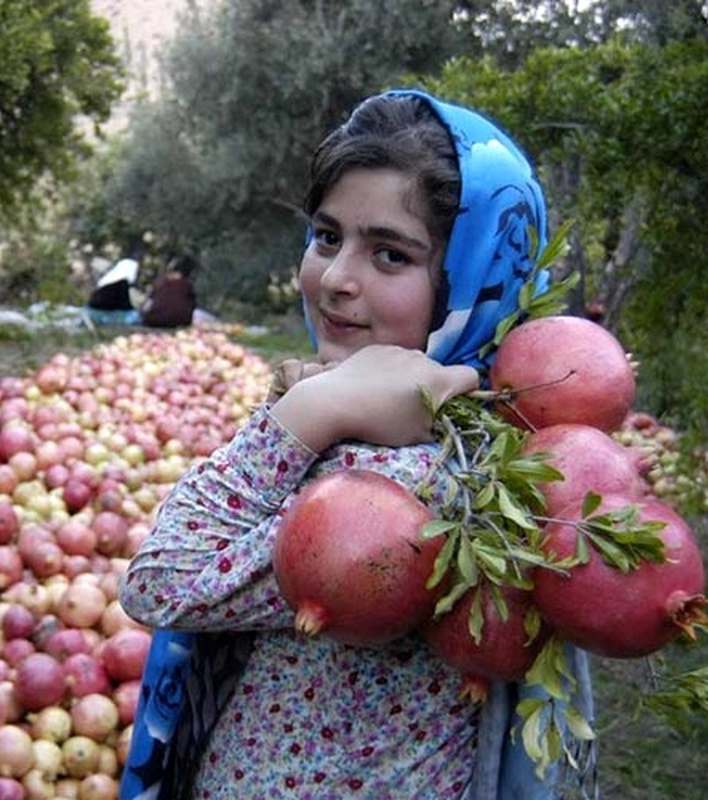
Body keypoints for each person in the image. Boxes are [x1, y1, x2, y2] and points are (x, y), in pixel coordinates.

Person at [117, 89, 596, 799]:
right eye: (327, 236)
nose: (337, 279)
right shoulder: (487, 435)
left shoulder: (416, 485)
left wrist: (310, 411)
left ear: (471, 280)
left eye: (391, 255)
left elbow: (159, 580)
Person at [141, 255, 198, 328]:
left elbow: (147, 304)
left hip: (154, 320)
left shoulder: (161, 283)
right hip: (180, 321)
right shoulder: (188, 286)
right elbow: (192, 306)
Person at [86, 257, 143, 325]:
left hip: (92, 311)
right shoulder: (122, 283)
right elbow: (124, 304)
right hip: (104, 314)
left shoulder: (109, 279)